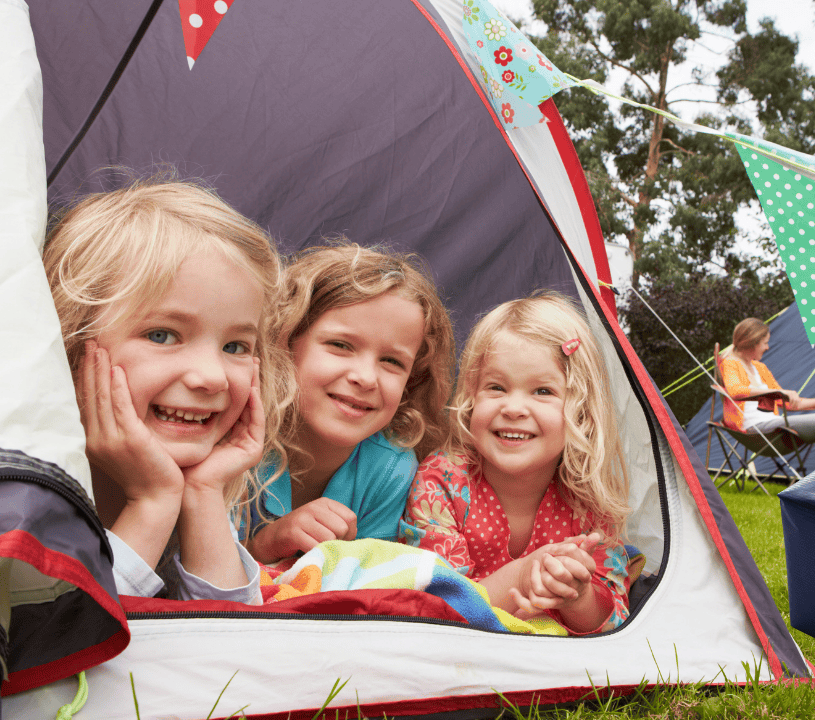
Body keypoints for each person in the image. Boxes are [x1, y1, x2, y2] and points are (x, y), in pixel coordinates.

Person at [44, 179, 290, 602]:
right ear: (69, 344)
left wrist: (205, 494)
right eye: (162, 335)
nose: (211, 377)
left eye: (235, 346)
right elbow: (60, 647)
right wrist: (151, 504)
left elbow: (230, 654)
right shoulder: (22, 500)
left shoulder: (200, 486)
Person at [400, 293, 633, 635]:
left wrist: (577, 596)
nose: (514, 408)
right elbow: (437, 605)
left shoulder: (589, 497)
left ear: (581, 412)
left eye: (542, 391)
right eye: (496, 387)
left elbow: (613, 622)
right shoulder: (442, 482)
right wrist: (524, 576)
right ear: (470, 397)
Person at [243, 244, 456, 566]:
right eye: (340, 345)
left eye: (392, 361)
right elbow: (190, 578)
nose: (366, 377)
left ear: (413, 380)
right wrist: (267, 544)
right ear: (285, 342)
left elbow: (366, 588)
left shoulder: (391, 467)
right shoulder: (237, 438)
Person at [721, 318, 815, 460]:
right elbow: (735, 391)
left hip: (773, 425)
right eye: (765, 343)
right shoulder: (730, 363)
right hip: (755, 429)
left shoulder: (760, 368)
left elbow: (788, 403)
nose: (767, 347)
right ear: (752, 342)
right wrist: (777, 393)